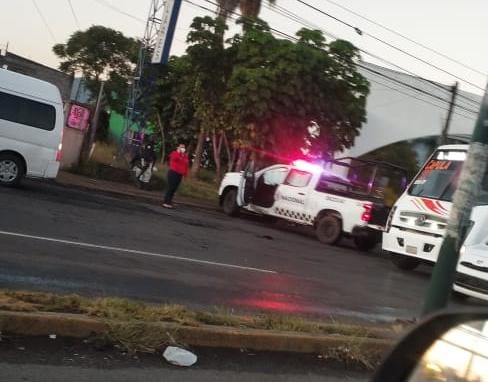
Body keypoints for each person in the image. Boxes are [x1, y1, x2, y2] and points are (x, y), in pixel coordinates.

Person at [163, 143, 189, 208]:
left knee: (174, 188)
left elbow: (185, 166)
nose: (183, 149)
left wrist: (185, 175)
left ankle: (169, 201)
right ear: (178, 147)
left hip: (180, 174)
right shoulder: (174, 153)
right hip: (173, 172)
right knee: (170, 187)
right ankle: (166, 201)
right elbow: (174, 159)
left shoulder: (185, 156)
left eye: (184, 147)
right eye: (181, 147)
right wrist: (179, 152)